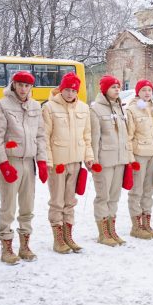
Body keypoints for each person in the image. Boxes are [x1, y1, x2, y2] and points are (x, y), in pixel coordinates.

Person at [0, 70, 47, 264]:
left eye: (27, 85)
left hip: (29, 162)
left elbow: (40, 135)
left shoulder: (35, 106)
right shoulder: (1, 105)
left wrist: (42, 161)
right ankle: (6, 245)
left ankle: (25, 244)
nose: (23, 89)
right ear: (13, 84)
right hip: (12, 161)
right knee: (8, 206)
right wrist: (3, 163)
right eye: (20, 85)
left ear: (31, 87)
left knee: (27, 205)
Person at [42, 72, 93, 254]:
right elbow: (45, 137)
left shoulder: (84, 108)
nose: (70, 93)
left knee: (70, 201)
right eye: (67, 89)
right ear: (61, 89)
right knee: (57, 201)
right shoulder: (49, 108)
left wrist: (89, 157)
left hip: (75, 162)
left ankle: (68, 236)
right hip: (57, 162)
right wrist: (47, 160)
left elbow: (87, 135)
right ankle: (58, 239)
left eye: (73, 90)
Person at [89, 75, 132, 247]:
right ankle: (103, 232)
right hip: (104, 160)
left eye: (118, 87)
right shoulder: (96, 109)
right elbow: (94, 138)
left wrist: (127, 157)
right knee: (103, 197)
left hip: (120, 159)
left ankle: (111, 229)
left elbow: (125, 135)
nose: (117, 90)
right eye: (113, 87)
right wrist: (94, 160)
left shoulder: (120, 108)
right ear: (105, 89)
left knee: (114, 196)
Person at [125, 80, 153, 240]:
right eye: (144, 90)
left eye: (149, 90)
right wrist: (130, 158)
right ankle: (136, 225)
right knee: (137, 191)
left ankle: (147, 222)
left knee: (148, 191)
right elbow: (128, 136)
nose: (147, 93)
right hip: (139, 155)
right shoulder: (132, 110)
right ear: (138, 92)